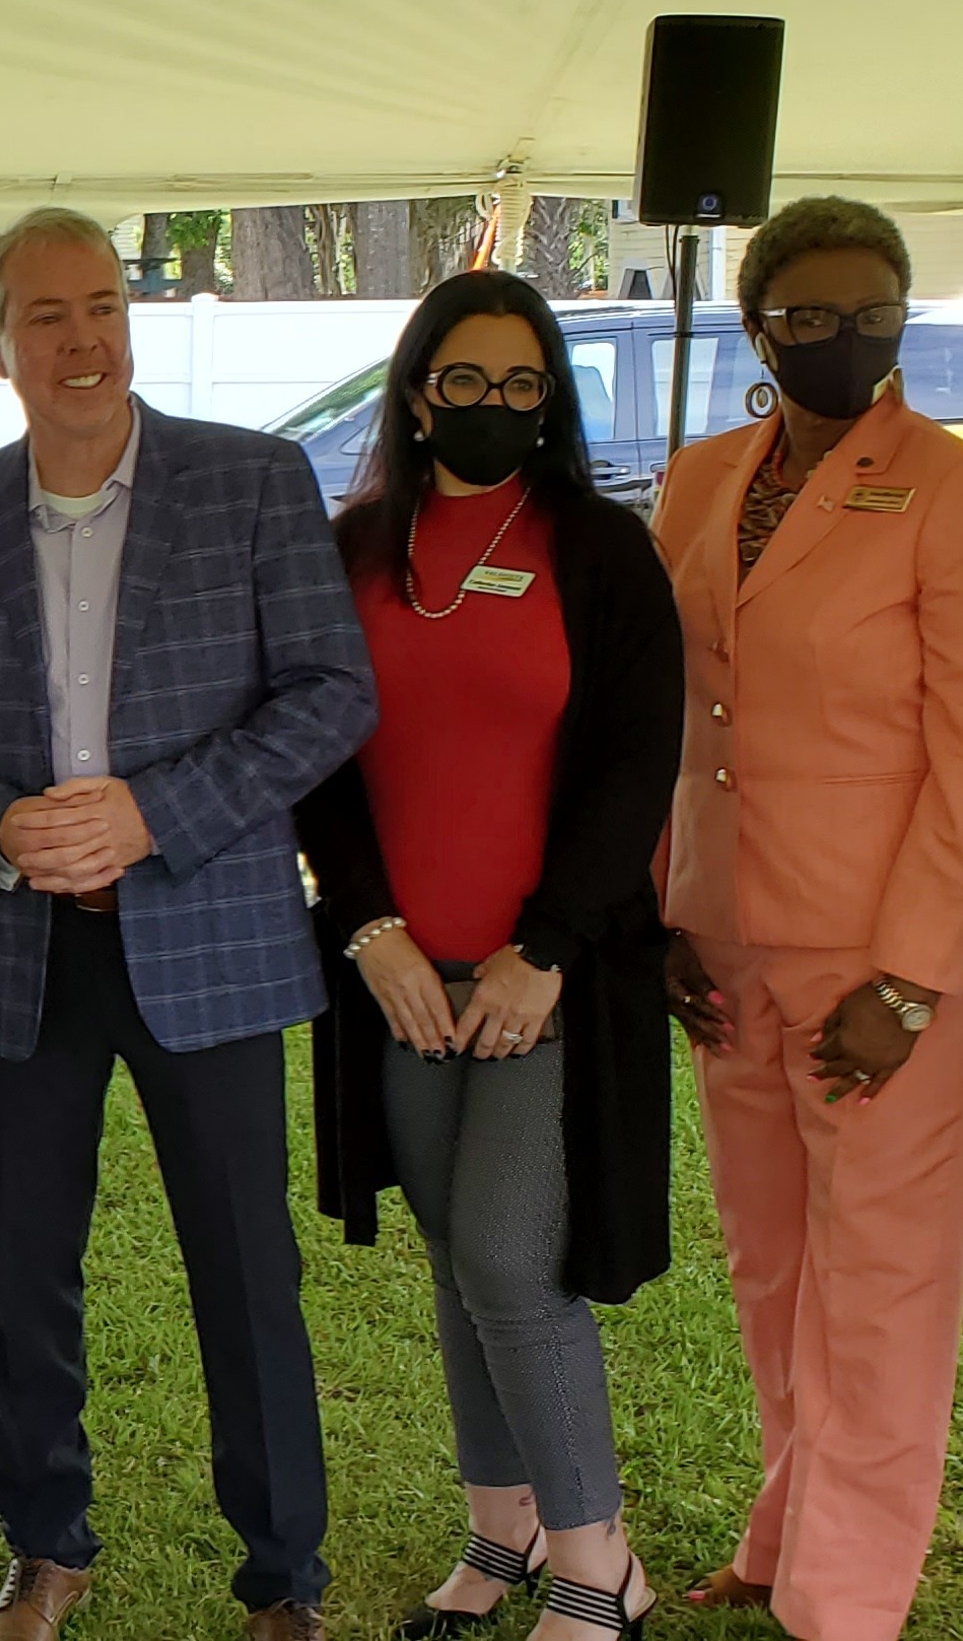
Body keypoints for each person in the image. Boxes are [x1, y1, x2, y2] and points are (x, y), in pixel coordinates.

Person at [0, 207, 376, 1641]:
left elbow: (332, 697)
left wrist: (160, 813)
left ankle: (285, 1577)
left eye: (103, 306)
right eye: (48, 317)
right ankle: (45, 1549)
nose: (83, 339)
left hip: (205, 939)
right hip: (22, 955)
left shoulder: (254, 483)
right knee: (25, 1268)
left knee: (245, 1270)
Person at [642, 199, 963, 1641]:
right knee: (770, 1257)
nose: (844, 339)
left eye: (873, 312)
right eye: (809, 317)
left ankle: (846, 1600)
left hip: (889, 954)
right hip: (724, 928)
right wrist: (661, 910)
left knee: (880, 1274)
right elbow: (667, 712)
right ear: (759, 323)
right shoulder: (698, 481)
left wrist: (919, 979)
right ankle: (787, 1523)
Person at [293, 271, 684, 1641]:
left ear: (550, 403)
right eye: (466, 381)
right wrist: (370, 928)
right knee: (457, 1246)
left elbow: (640, 767)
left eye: (524, 385)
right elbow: (318, 764)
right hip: (405, 974)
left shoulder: (603, 551)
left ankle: (598, 1562)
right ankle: (502, 1527)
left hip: (550, 976)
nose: (493, 406)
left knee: (516, 1260)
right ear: (416, 393)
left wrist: (545, 949)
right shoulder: (353, 553)